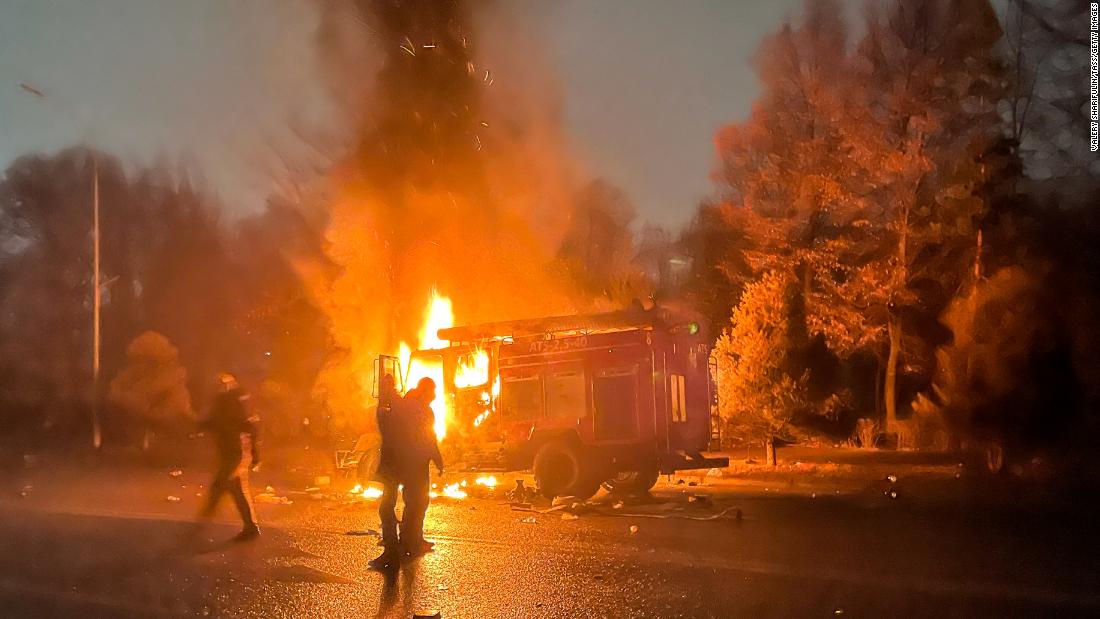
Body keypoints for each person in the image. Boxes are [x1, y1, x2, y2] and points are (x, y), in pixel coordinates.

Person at [370, 376, 444, 569]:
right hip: (406, 464)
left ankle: (411, 541)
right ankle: (397, 547)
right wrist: (435, 458)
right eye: (432, 391)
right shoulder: (407, 408)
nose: (434, 395)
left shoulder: (409, 407)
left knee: (415, 503)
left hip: (411, 464)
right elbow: (425, 436)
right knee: (398, 506)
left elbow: (429, 436)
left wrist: (435, 458)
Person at [197, 372, 260, 542]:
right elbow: (209, 424)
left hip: (234, 455)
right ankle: (250, 527)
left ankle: (199, 527)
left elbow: (248, 429)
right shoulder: (225, 406)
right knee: (236, 490)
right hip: (232, 454)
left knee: (218, 486)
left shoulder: (231, 406)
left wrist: (255, 454)